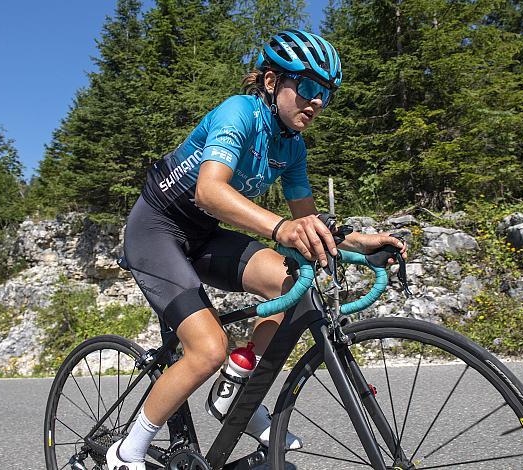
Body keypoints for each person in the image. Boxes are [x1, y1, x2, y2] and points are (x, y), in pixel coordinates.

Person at [106, 28, 407, 469]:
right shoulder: (240, 112)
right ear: (272, 83)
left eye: (326, 93)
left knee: (294, 286)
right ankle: (126, 452)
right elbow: (209, 192)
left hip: (205, 235)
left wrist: (360, 240)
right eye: (307, 86)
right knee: (208, 349)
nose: (317, 100)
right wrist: (281, 228)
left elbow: (307, 223)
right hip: (158, 228)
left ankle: (234, 388)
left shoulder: (293, 145)